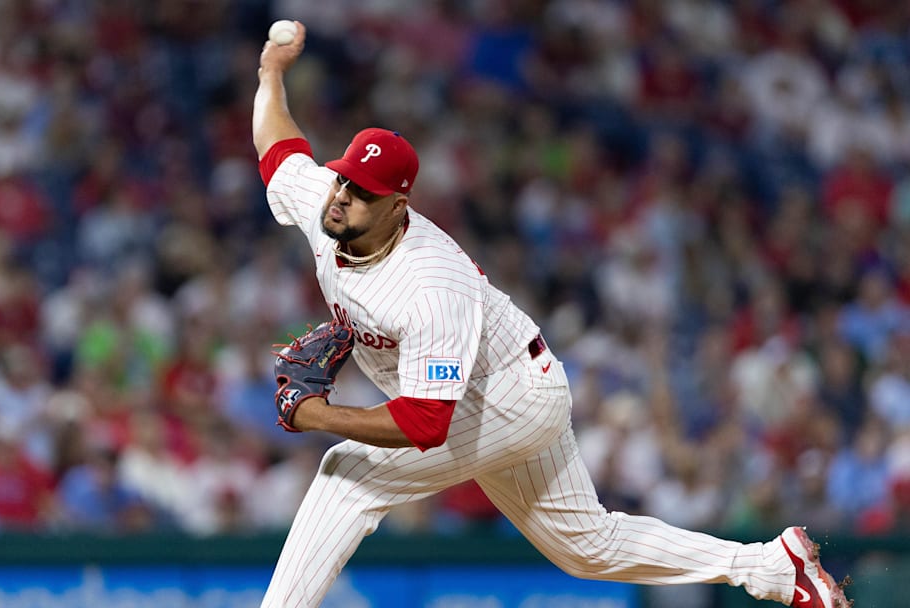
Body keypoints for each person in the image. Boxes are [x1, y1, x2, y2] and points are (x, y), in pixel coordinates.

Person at [250, 21, 851, 608]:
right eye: (344, 180)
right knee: (585, 547)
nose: (344, 196)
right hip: (503, 386)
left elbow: (426, 424)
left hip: (506, 395)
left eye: (363, 191)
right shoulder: (328, 201)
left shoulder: (429, 282)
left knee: (348, 473)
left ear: (397, 204)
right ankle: (773, 567)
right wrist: (271, 74)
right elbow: (278, 148)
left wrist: (321, 415)